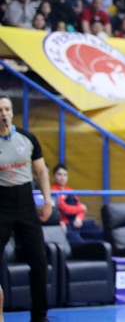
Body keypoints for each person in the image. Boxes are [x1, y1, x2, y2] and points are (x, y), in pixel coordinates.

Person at [0, 96, 53, 322]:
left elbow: (41, 172)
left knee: (39, 261)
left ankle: (39, 317)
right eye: (0, 110)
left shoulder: (27, 138)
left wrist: (47, 201)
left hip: (25, 201)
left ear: (12, 112)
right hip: (1, 201)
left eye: (7, 109)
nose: (4, 113)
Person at [51, 163, 86, 232]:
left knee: (96, 229)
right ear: (53, 177)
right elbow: (64, 208)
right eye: (59, 174)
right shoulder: (52, 191)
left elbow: (80, 207)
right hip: (64, 223)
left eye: (65, 175)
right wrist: (82, 208)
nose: (62, 177)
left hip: (76, 221)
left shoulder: (70, 190)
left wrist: (79, 218)